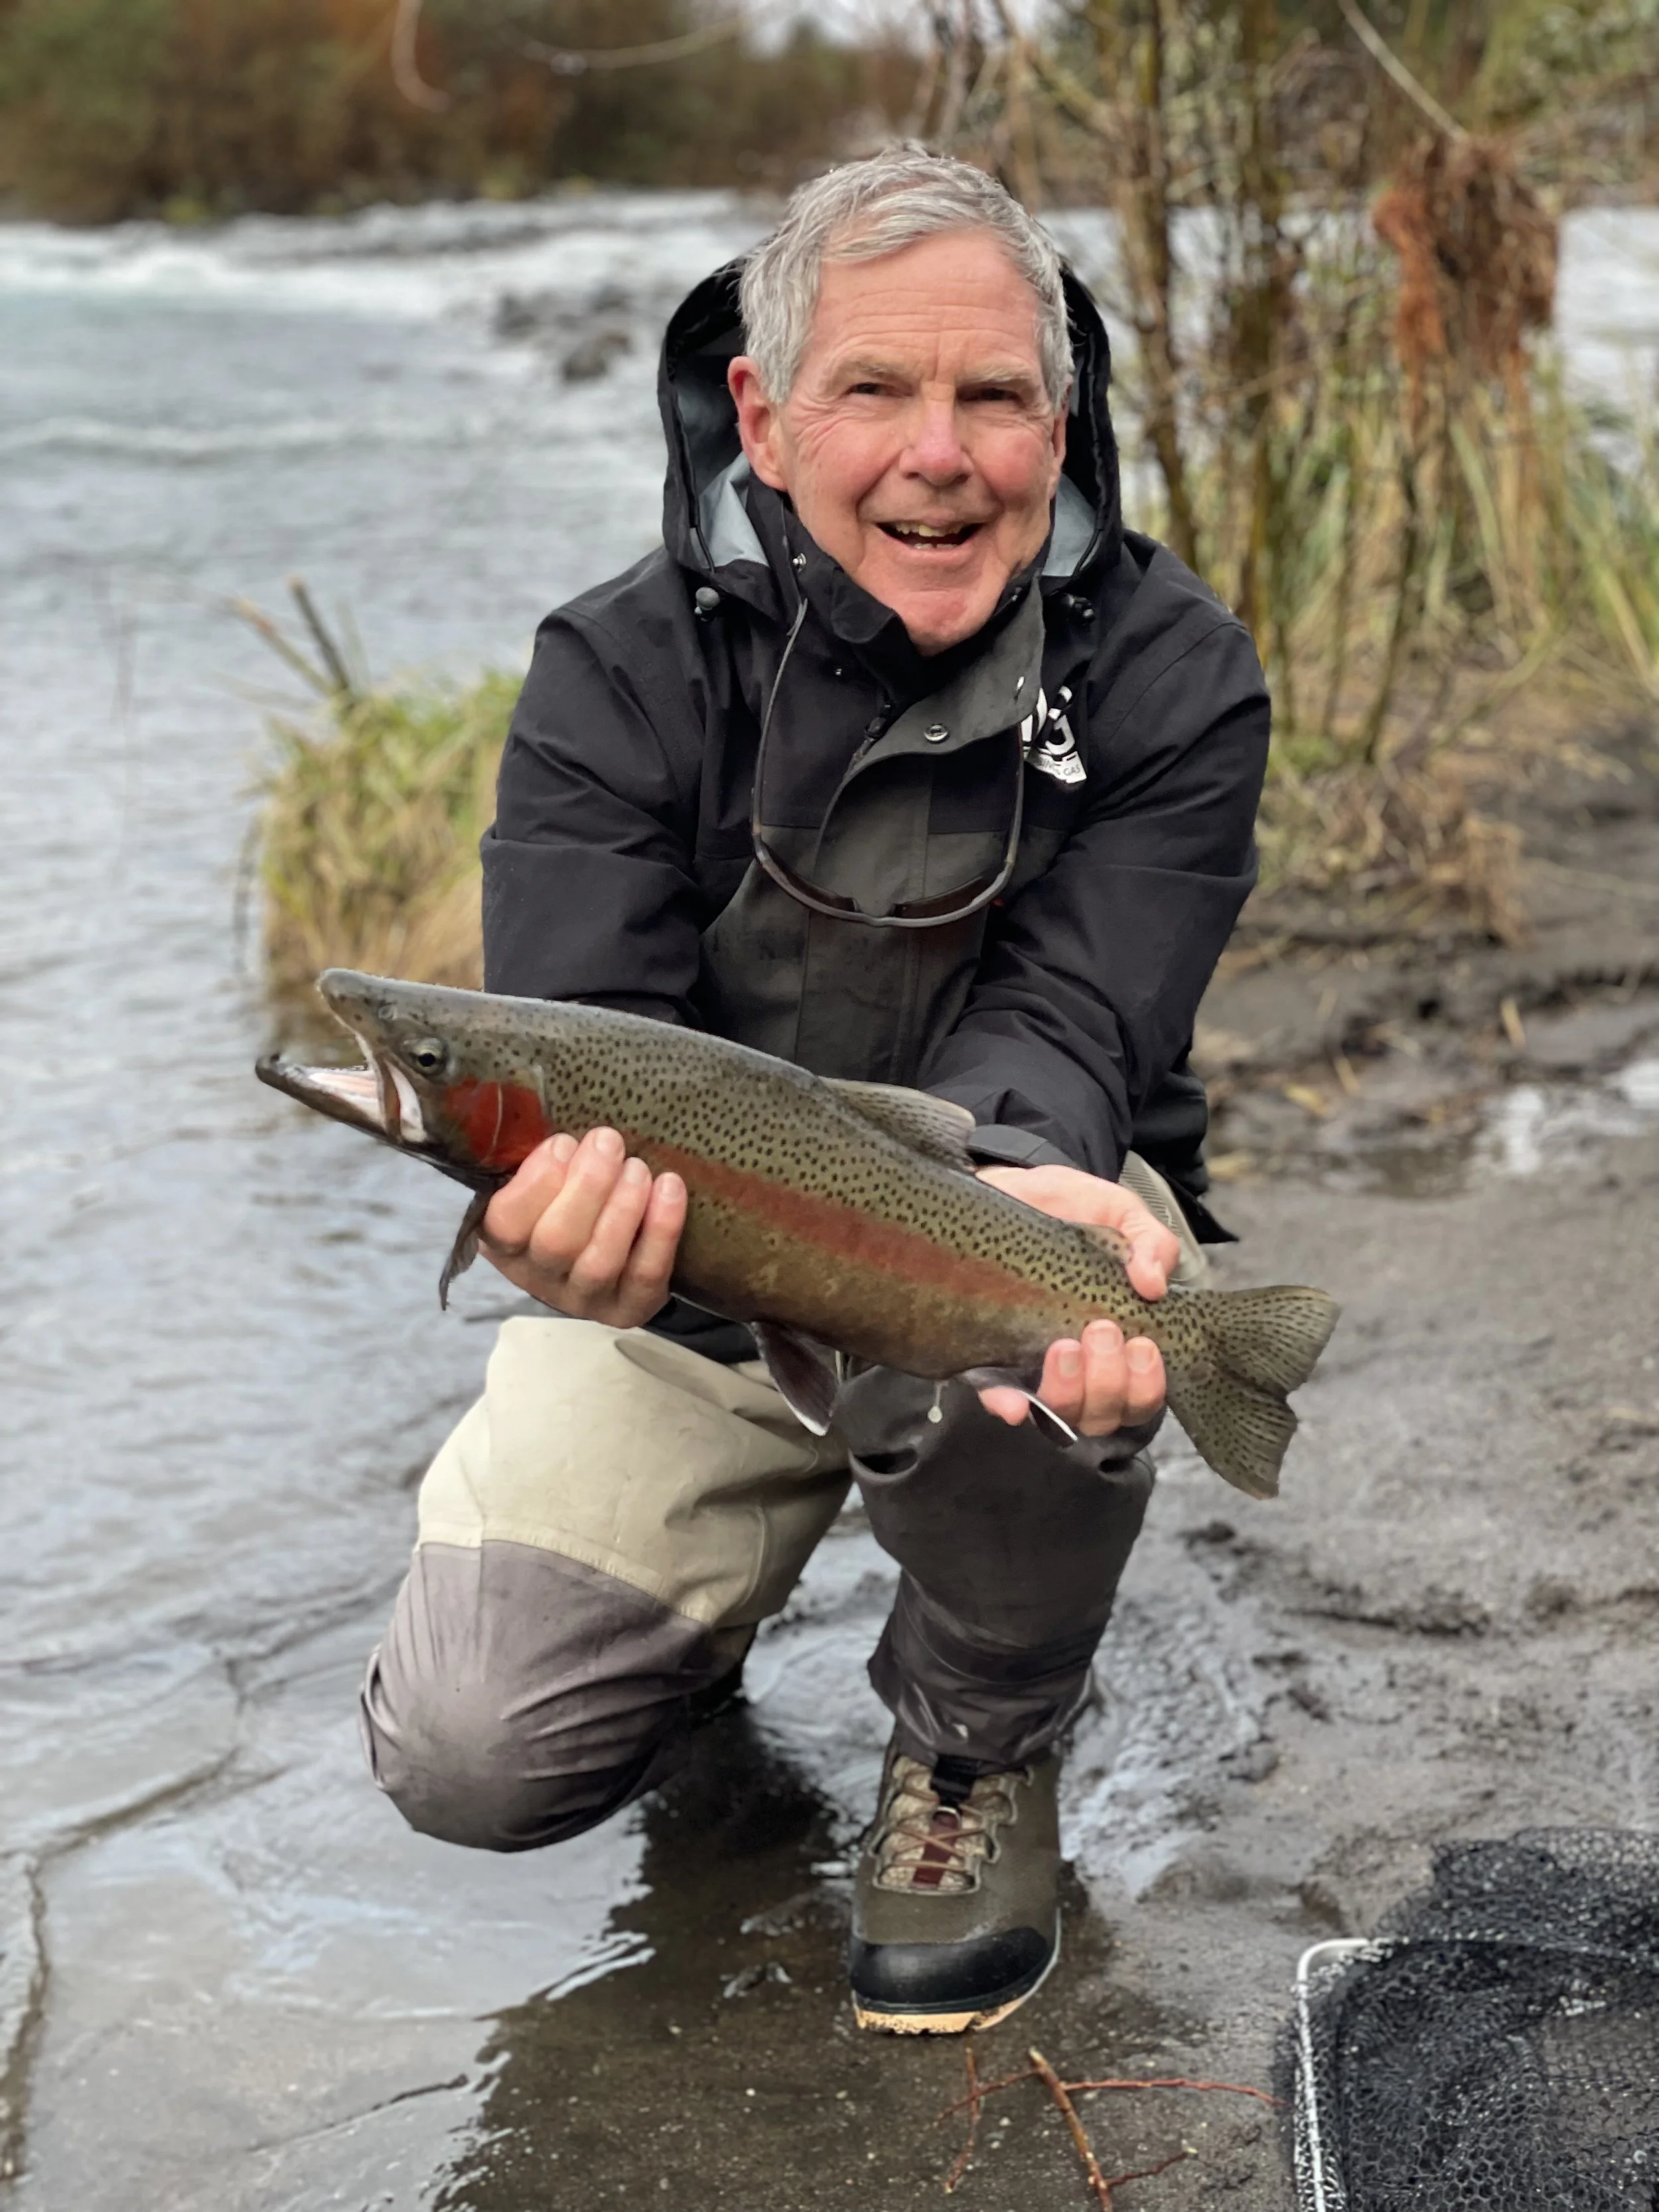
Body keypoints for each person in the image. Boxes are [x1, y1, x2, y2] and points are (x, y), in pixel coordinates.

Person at [359, 147, 1269, 2036]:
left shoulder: (1174, 676)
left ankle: (973, 1747)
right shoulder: (611, 670)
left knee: (1059, 1323)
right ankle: (689, 1633)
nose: (937, 453)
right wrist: (571, 1246)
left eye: (992, 396)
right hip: (692, 1273)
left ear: (1059, 417)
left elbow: (1079, 1019)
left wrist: (1017, 1189)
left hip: (1016, 1214)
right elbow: (574, 1044)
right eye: (874, 391)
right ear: (764, 419)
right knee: (469, 1750)